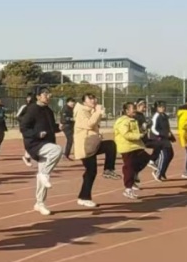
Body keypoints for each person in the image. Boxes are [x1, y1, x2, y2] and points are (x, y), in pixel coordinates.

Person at [20, 87, 63, 216]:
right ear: (38, 96)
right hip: (35, 144)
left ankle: (40, 203)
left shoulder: (48, 110)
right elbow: (23, 127)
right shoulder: (32, 109)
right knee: (57, 150)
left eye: (49, 94)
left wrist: (59, 127)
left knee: (43, 178)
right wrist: (37, 134)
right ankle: (43, 174)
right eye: (45, 94)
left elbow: (50, 127)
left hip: (47, 143)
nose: (48, 96)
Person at [73, 93, 117, 208]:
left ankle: (108, 170)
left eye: (94, 98)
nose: (93, 100)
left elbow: (93, 126)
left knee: (110, 145)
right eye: (90, 98)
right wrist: (97, 112)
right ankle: (84, 197)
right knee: (91, 171)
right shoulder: (81, 111)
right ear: (84, 102)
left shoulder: (90, 111)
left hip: (92, 144)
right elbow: (89, 124)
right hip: (85, 146)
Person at [114, 102, 151, 199]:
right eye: (133, 108)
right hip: (127, 147)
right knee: (129, 167)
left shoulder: (133, 120)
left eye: (135, 108)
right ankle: (128, 189)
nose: (135, 110)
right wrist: (139, 135)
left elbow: (136, 131)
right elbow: (126, 134)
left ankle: (134, 174)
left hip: (136, 146)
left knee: (146, 158)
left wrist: (144, 129)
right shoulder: (123, 121)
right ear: (126, 111)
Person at [149, 101, 174, 181]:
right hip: (158, 138)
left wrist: (170, 135)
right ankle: (157, 172)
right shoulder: (156, 116)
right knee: (164, 155)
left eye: (164, 106)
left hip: (165, 138)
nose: (163, 108)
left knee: (170, 154)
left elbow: (167, 128)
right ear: (157, 108)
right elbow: (153, 128)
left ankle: (161, 171)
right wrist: (160, 134)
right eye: (161, 107)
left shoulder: (165, 116)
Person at [17, 93, 35, 167]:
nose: (29, 99)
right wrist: (26, 120)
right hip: (25, 128)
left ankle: (27, 156)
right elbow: (18, 116)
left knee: (33, 142)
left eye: (30, 97)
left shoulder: (35, 107)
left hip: (33, 128)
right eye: (28, 97)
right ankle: (27, 157)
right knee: (29, 141)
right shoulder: (24, 107)